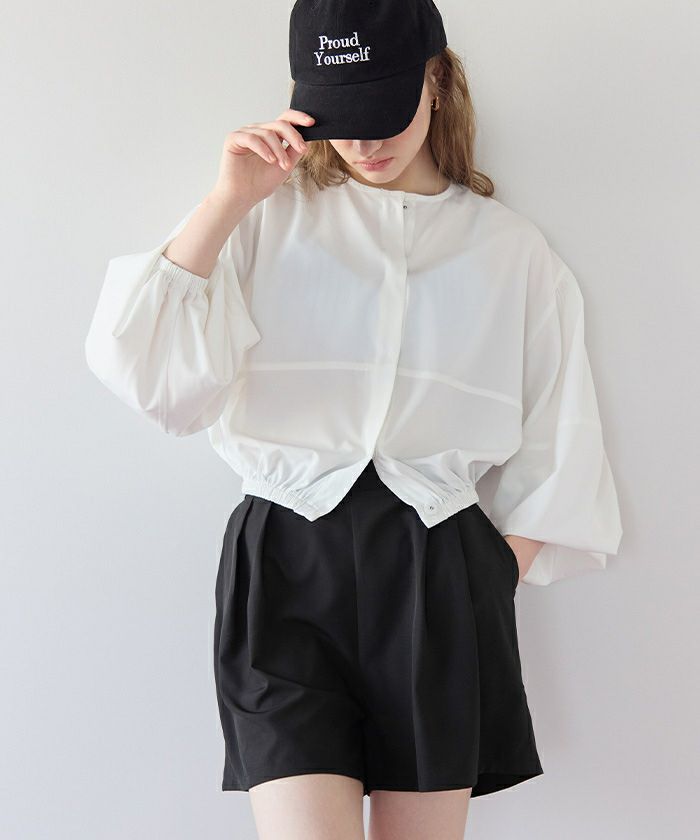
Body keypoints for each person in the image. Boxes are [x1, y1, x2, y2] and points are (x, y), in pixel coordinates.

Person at [84, 1, 623, 838]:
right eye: (343, 116)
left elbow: (562, 432)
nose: (366, 142)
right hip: (286, 566)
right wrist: (228, 200)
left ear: (436, 82)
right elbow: (152, 380)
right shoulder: (262, 220)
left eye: (384, 110)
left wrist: (487, 574)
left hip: (439, 570)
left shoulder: (512, 251)